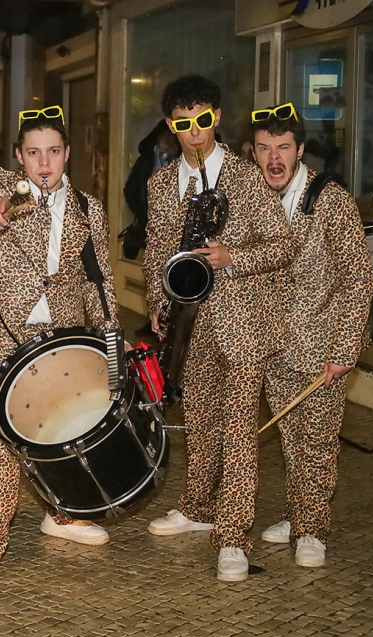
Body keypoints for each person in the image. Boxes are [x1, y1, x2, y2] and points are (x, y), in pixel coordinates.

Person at [0, 108, 119, 601]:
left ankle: (62, 513)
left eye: (52, 151)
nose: (43, 163)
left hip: (64, 335)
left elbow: (99, 280)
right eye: (33, 152)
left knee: (61, 433)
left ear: (67, 154)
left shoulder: (88, 207)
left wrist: (111, 343)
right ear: (19, 157)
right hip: (5, 331)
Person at [142, 75, 296, 582]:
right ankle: (195, 506)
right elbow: (155, 254)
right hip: (189, 324)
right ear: (170, 126)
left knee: (238, 433)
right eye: (183, 124)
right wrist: (156, 303)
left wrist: (233, 258)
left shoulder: (247, 176)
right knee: (201, 427)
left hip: (243, 322)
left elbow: (282, 246)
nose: (195, 133)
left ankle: (233, 537)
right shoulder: (160, 185)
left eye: (203, 121)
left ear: (217, 117)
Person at [249, 103, 373, 567]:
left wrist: (343, 349)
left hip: (323, 346)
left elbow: (359, 279)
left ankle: (312, 530)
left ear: (300, 150)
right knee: (289, 435)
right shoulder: (255, 200)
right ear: (254, 153)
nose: (274, 158)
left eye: (284, 147)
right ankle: (297, 511)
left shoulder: (329, 199)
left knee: (317, 441)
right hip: (274, 346)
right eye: (265, 149)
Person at [121, 120, 180, 259]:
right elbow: (131, 189)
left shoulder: (183, 160)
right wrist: (143, 212)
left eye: (170, 135)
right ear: (156, 137)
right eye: (162, 135)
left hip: (176, 229)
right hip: (149, 229)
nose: (166, 138)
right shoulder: (145, 162)